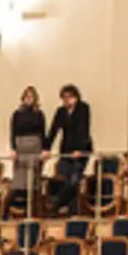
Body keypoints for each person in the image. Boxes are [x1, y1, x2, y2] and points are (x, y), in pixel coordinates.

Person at [43, 84, 91, 215]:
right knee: (65, 180)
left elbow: (84, 129)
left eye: (69, 97)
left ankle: (56, 205)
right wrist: (46, 148)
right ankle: (71, 211)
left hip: (82, 150)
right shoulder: (61, 112)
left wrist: (80, 150)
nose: (67, 100)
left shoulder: (83, 108)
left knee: (74, 180)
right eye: (64, 98)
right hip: (66, 150)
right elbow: (53, 130)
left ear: (75, 97)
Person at [9, 86, 47, 212]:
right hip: (21, 148)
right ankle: (6, 210)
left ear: (35, 99)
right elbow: (13, 132)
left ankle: (35, 212)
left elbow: (43, 133)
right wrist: (13, 149)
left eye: (31, 97)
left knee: (34, 183)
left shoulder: (39, 114)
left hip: (35, 147)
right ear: (23, 98)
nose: (29, 99)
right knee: (18, 183)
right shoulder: (17, 114)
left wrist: (44, 150)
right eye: (27, 96)